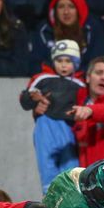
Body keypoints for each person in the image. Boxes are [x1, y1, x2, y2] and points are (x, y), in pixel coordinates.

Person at [19, 39, 84, 193]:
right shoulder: (42, 78)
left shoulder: (80, 83)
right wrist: (32, 98)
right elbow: (25, 99)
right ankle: (49, 199)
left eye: (68, 61)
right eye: (59, 60)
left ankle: (72, 201)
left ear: (76, 63)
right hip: (45, 125)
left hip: (69, 128)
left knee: (71, 168)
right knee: (46, 163)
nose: (63, 65)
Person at [27, 0, 104, 75]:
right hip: (50, 81)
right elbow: (34, 64)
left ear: (79, 9)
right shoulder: (44, 30)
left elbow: (97, 63)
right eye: (61, 7)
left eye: (71, 6)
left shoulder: (92, 30)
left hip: (82, 81)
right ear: (55, 11)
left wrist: (74, 74)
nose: (66, 12)